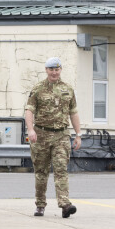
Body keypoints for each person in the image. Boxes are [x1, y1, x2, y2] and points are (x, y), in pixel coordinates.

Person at [24, 56, 82, 218]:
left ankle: (64, 204)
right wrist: (30, 130)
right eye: (51, 69)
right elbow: (29, 110)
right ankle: (40, 204)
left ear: (60, 70)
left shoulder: (68, 89)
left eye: (57, 70)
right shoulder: (38, 89)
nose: (54, 73)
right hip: (41, 135)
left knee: (61, 169)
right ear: (46, 70)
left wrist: (78, 134)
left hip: (61, 135)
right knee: (41, 172)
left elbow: (73, 112)